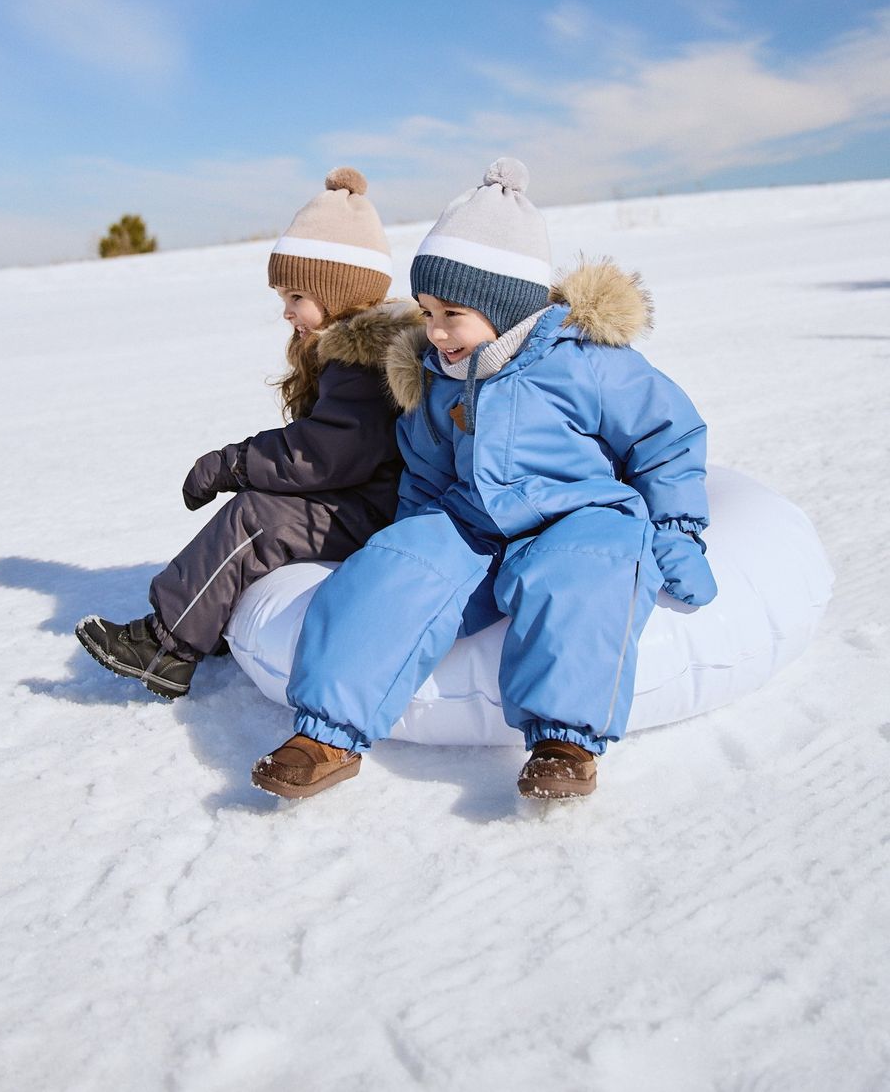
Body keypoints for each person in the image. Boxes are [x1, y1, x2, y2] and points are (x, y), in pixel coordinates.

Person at [251, 158, 717, 801]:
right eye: (426, 310)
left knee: (582, 577)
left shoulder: (585, 363)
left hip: (576, 512)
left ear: (505, 306)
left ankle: (565, 741)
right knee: (388, 572)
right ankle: (326, 732)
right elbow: (424, 469)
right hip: (469, 517)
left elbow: (667, 438)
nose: (435, 331)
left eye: (453, 314)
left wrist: (677, 528)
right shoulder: (436, 376)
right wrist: (413, 542)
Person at [76, 168, 420, 699]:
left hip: (378, 510)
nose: (286, 311)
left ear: (339, 292)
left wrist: (232, 464)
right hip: (360, 496)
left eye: (297, 296)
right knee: (261, 509)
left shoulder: (364, 364)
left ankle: (167, 647)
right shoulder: (347, 353)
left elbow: (320, 457)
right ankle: (198, 617)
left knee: (257, 519)